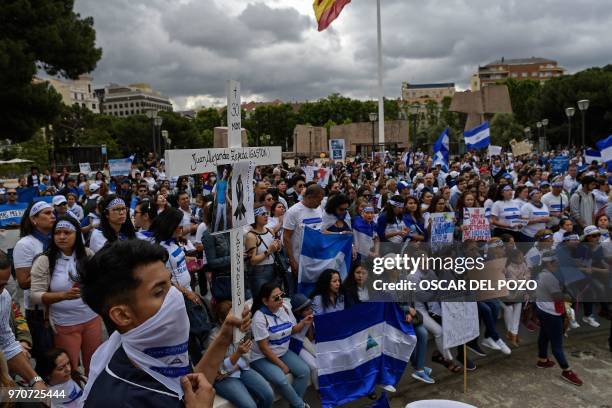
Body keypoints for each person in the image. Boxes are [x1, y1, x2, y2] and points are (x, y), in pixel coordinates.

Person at [77, 239, 251, 407]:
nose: (176, 295)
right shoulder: (116, 401)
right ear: (122, 315)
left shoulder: (156, 351)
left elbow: (190, 385)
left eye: (171, 284)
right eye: (159, 291)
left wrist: (225, 336)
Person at [29, 216, 102, 375]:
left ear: (77, 235)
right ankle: (73, 398)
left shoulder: (88, 254)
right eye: (57, 232)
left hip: (92, 319)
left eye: (67, 232)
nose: (61, 237)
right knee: (70, 371)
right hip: (65, 324)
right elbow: (34, 296)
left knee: (95, 366)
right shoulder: (44, 260)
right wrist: (63, 295)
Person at [250, 283, 312, 408]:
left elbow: (292, 330)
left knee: (304, 371)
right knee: (281, 380)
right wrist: (281, 365)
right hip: (261, 357)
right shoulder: (259, 318)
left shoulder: (285, 307)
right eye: (276, 297)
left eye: (281, 295)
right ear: (265, 301)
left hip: (282, 351)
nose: (281, 299)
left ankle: (295, 405)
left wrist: (304, 323)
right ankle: (300, 405)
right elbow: (264, 349)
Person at [13, 201, 56, 361]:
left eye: (53, 212)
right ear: (34, 219)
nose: (52, 216)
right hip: (38, 311)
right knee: (47, 360)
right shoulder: (25, 244)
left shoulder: (57, 239)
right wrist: (53, 274)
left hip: (60, 305)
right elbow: (23, 282)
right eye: (46, 213)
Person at [211, 300, 274, 408]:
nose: (237, 322)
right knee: (250, 406)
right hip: (224, 379)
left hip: (241, 369)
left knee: (268, 395)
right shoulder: (213, 337)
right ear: (221, 320)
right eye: (232, 320)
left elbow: (247, 354)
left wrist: (232, 367)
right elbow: (218, 371)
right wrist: (234, 361)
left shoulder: (242, 329)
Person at [535, 251, 583, 386]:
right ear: (549, 263)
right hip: (551, 313)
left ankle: (542, 360)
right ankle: (566, 371)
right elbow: (558, 297)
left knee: (544, 335)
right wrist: (569, 296)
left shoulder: (542, 274)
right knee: (557, 345)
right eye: (556, 262)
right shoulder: (549, 277)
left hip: (542, 308)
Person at [0, 252, 47, 392]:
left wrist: (36, 380)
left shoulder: (3, 298)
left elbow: (6, 342)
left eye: (2, 285)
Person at [149, 208, 199, 304]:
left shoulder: (173, 241)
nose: (182, 228)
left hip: (188, 291)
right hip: (178, 297)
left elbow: (174, 260)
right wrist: (186, 293)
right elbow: (163, 280)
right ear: (170, 226)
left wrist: (187, 259)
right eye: (179, 226)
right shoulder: (159, 249)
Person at [283, 184, 324, 277]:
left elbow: (321, 231)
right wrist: (292, 261)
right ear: (309, 197)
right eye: (319, 200)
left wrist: (340, 234)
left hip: (316, 260)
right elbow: (286, 237)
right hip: (300, 261)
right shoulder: (293, 212)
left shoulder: (319, 209)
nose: (320, 203)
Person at [246, 204, 282, 299]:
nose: (266, 216)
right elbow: (252, 261)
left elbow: (274, 251)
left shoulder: (270, 231)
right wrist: (268, 251)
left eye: (266, 213)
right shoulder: (251, 236)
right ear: (254, 218)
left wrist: (277, 246)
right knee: (261, 300)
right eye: (262, 214)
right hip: (260, 273)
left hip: (273, 269)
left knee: (276, 298)